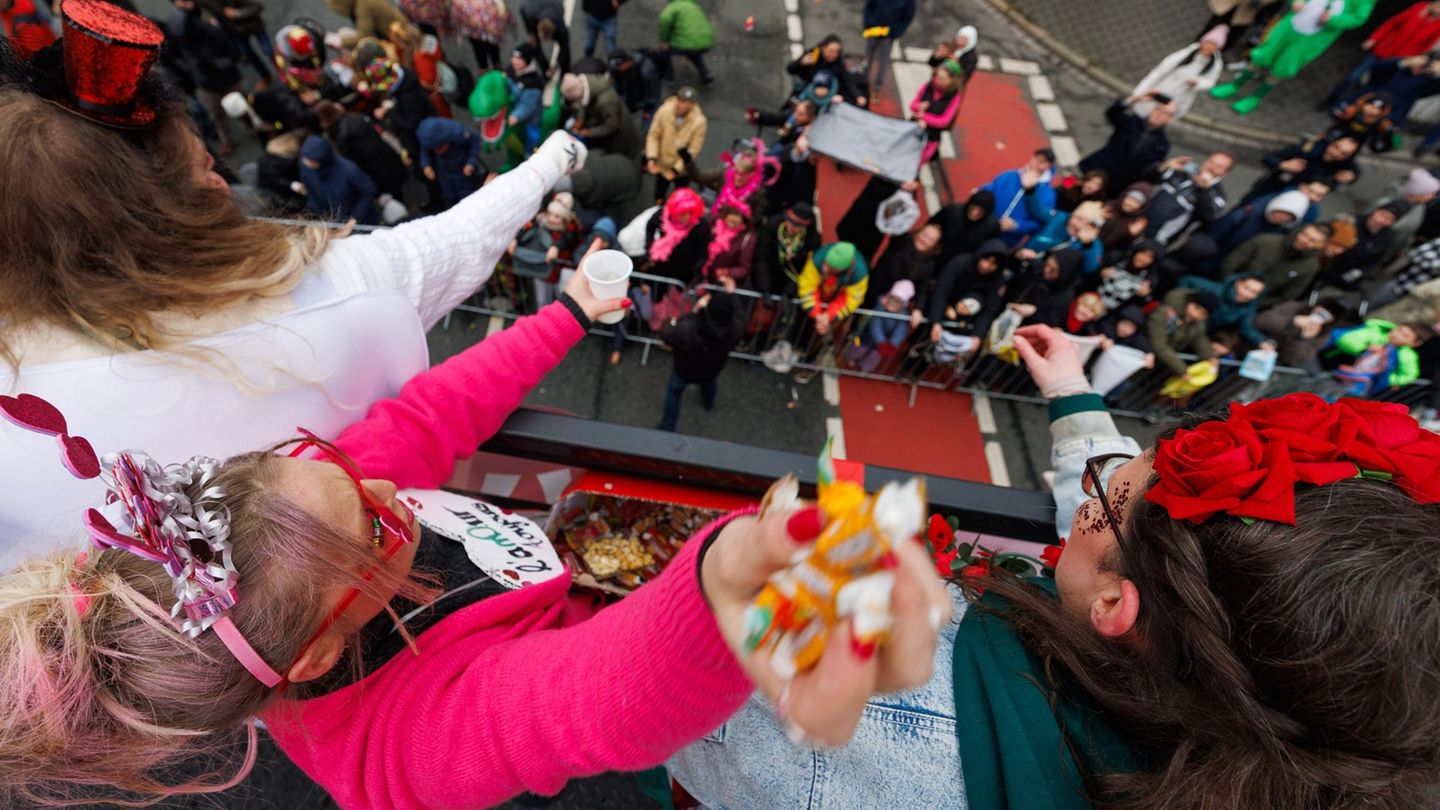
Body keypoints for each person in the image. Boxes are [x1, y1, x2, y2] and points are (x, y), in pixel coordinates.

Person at [0, 259, 949, 807]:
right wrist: (722, 579)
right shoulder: (403, 751)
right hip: (681, 675)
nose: (383, 485)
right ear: (322, 651)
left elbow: (430, 414)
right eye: (373, 524)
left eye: (321, 459)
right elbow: (581, 700)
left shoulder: (311, 519)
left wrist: (567, 314)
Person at [0, 0, 593, 566]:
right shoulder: (326, 294)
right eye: (206, 169)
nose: (222, 183)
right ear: (169, 210)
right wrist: (552, 162)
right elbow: (458, 243)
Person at [1210, 0, 1378, 115]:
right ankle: (1234, 85)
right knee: (1262, 54)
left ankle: (1255, 97)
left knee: (1283, 67)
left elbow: (1358, 18)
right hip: (1291, 24)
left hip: (1314, 36)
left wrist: (1334, 19)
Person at [1322, 0, 1440, 108]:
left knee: (1374, 84)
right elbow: (1393, 22)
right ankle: (1332, 99)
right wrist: (1374, 38)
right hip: (1384, 50)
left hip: (1399, 58)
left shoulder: (1438, 25)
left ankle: (1349, 106)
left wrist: (1414, 62)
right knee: (1353, 76)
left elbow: (1427, 46)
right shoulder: (1419, 8)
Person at [658, 288, 745, 431]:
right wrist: (732, 295)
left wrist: (694, 312)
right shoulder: (736, 329)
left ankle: (668, 426)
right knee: (709, 383)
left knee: (674, 391)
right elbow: (740, 313)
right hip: (712, 368)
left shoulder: (689, 326)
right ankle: (709, 405)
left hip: (684, 370)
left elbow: (667, 335)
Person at [166, 0, 244, 157]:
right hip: (207, 79)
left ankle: (254, 127)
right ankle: (227, 140)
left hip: (222, 74)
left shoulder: (205, 10)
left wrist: (228, 59)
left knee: (241, 105)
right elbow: (179, 54)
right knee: (217, 115)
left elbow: (226, 40)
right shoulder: (181, 24)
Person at [314, 99, 410, 203]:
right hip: (387, 157)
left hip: (375, 170)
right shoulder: (356, 117)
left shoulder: (343, 136)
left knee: (391, 198)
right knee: (398, 191)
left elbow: (353, 160)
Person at [1079, 94, 1175, 192]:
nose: (1159, 114)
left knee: (1088, 206)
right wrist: (1133, 99)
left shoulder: (1162, 144)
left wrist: (1162, 167)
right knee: (1068, 189)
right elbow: (1112, 113)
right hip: (1093, 170)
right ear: (1152, 110)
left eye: (1165, 113)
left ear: (1169, 119)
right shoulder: (1133, 122)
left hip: (1114, 186)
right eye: (1158, 110)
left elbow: (1148, 172)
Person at [1220, 222, 1330, 303]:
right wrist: (1232, 289)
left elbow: (1287, 296)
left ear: (1320, 245)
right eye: (1304, 234)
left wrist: (1254, 303)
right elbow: (1230, 264)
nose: (1304, 240)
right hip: (1226, 286)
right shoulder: (1265, 241)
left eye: (1312, 240)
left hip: (1254, 304)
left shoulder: (1310, 267)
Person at [1130, 26, 1226, 118]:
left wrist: (1198, 83)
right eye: (1208, 43)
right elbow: (1159, 71)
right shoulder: (1185, 54)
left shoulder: (1215, 64)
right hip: (1160, 90)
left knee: (1158, 120)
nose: (1209, 47)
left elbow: (1211, 81)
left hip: (1177, 99)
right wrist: (1140, 91)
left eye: (1213, 45)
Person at [927, 238, 1010, 343]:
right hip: (938, 310)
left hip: (964, 324)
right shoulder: (959, 263)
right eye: (986, 260)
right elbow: (941, 292)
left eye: (993, 264)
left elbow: (989, 310)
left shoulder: (997, 280)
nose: (986, 266)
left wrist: (977, 336)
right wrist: (936, 321)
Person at [1143, 152, 1233, 246]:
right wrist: (1163, 167)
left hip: (1161, 236)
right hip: (1140, 217)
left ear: (1225, 173)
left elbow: (1210, 217)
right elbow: (1147, 178)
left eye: (1218, 166)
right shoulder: (1184, 170)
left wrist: (1204, 190)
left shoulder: (1218, 195)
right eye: (1211, 162)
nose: (1211, 167)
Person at [682, 137, 778, 222]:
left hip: (737, 232)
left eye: (743, 174)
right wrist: (687, 160)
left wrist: (741, 218)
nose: (738, 177)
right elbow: (699, 177)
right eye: (736, 172)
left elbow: (757, 218)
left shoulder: (758, 192)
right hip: (716, 220)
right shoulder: (724, 174)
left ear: (752, 174)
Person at [1327, 317, 1432, 392]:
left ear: (1415, 343)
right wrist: (1364, 349)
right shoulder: (1375, 333)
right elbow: (1346, 341)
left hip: (1362, 385)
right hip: (1334, 368)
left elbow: (1409, 375)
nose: (1398, 335)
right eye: (1399, 330)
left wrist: (1388, 379)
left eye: (1406, 335)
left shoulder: (1407, 356)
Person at [1177, 273, 1273, 351]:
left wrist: (1262, 341)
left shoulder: (1248, 308)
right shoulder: (1216, 290)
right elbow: (1186, 280)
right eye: (1246, 288)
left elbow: (1247, 328)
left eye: (1254, 292)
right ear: (1238, 283)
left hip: (1201, 334)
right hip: (1182, 323)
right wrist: (1183, 306)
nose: (1247, 294)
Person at [981, 149, 1056, 247]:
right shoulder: (1010, 175)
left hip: (1006, 239)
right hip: (984, 223)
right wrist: (980, 191)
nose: (1037, 163)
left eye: (1043, 161)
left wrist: (1017, 226)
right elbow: (993, 187)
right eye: (1036, 158)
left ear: (1048, 167)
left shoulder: (1048, 194)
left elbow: (1039, 222)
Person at [299, 135, 380, 225]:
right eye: (305, 159)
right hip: (332, 223)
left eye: (311, 160)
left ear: (322, 159)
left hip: (361, 222)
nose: (307, 163)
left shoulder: (349, 170)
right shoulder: (307, 169)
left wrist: (355, 218)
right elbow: (312, 194)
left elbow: (369, 191)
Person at [646, 86, 707, 203]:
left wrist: (675, 170)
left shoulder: (699, 122)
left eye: (684, 102)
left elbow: (693, 149)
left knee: (681, 194)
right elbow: (653, 135)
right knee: (659, 193)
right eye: (678, 99)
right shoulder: (664, 110)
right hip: (662, 165)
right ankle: (660, 208)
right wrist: (652, 157)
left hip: (682, 170)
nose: (679, 104)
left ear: (692, 104)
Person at [561, 71, 641, 159]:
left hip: (620, 135)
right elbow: (583, 105)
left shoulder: (607, 101)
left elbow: (612, 126)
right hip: (604, 119)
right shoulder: (587, 83)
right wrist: (580, 119)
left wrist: (589, 132)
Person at [798, 242, 870, 340]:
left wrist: (828, 315)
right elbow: (807, 286)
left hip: (836, 302)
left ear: (842, 269)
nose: (826, 268)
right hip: (818, 297)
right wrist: (816, 313)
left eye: (831, 268)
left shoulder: (859, 274)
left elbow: (852, 300)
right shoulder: (818, 258)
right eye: (826, 264)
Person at [866, 223, 941, 314]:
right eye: (924, 234)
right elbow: (898, 225)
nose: (925, 240)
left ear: (934, 245)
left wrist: (918, 309)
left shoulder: (929, 264)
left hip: (894, 305)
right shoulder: (902, 241)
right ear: (918, 232)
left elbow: (922, 288)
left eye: (931, 240)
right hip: (874, 291)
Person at [752, 202, 820, 297]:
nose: (792, 228)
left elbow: (804, 270)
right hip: (766, 275)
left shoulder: (811, 241)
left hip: (789, 282)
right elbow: (761, 258)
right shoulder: (773, 226)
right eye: (791, 222)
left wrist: (789, 293)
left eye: (798, 226)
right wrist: (764, 289)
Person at [417, 117, 484, 211]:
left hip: (463, 172)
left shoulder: (459, 133)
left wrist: (471, 162)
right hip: (445, 174)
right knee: (449, 198)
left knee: (469, 202)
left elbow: (475, 142)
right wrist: (426, 164)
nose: (437, 151)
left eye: (440, 147)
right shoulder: (428, 139)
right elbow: (424, 149)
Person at [1148, 286, 1218, 377]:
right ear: (1190, 302)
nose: (1196, 314)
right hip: (1145, 352)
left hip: (1161, 360)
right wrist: (1182, 370)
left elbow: (1199, 338)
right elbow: (1159, 345)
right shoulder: (1165, 312)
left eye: (1203, 314)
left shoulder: (1196, 323)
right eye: (1196, 308)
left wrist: (1210, 357)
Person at [644, 187, 709, 283]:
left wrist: (695, 269)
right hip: (662, 264)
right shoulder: (663, 215)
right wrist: (649, 247)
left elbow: (703, 252)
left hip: (685, 270)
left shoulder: (700, 225)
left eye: (690, 213)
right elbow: (650, 226)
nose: (687, 217)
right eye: (682, 214)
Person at [1006, 248, 1083, 327]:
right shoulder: (1038, 268)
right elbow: (1013, 270)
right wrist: (1017, 255)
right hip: (1006, 309)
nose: (1046, 270)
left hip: (1025, 327)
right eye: (1047, 264)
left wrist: (1034, 312)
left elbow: (1052, 321)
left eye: (1053, 270)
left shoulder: (1065, 295)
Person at [910, 60, 965, 165]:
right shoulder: (929, 86)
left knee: (917, 163)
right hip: (914, 129)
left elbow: (944, 121)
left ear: (952, 80)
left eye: (943, 78)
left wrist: (923, 117)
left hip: (931, 137)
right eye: (937, 76)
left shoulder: (955, 97)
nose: (937, 80)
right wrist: (919, 106)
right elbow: (913, 104)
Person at [928, 190, 1000, 267]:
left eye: (980, 211)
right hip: (934, 256)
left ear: (986, 213)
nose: (974, 213)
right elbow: (931, 225)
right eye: (973, 208)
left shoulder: (991, 228)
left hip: (961, 266)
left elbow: (985, 251)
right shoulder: (952, 211)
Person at [788, 34, 866, 106]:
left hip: (829, 98)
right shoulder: (813, 56)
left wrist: (858, 96)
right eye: (830, 51)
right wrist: (801, 63)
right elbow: (790, 69)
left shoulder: (838, 63)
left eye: (836, 52)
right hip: (808, 96)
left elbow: (847, 80)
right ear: (822, 48)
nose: (833, 54)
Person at [695, 202, 757, 288]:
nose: (732, 221)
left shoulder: (747, 238)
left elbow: (744, 268)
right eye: (731, 214)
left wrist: (728, 272)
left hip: (722, 285)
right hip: (698, 277)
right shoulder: (713, 226)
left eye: (737, 216)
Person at [862, 0, 917, 95]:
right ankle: (864, 81)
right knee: (868, 56)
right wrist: (868, 24)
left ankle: (877, 86)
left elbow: (907, 18)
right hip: (873, 31)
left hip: (888, 36)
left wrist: (895, 33)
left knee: (883, 61)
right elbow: (869, 7)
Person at [657, 0, 715, 87]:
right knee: (694, 53)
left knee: (663, 51)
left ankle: (669, 78)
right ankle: (706, 77)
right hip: (706, 41)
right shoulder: (694, 6)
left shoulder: (675, 5)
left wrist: (664, 40)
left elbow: (665, 19)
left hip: (688, 43)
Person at [1096, 239, 1163, 311]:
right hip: (1093, 297)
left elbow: (1137, 306)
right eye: (1143, 253)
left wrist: (1143, 296)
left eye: (1150, 257)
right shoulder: (1116, 258)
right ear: (1136, 251)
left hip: (1114, 311)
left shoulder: (1149, 280)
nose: (1143, 259)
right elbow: (1089, 276)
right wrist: (1101, 273)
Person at [507, 43, 547, 154]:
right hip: (515, 106)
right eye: (514, 57)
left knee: (533, 135)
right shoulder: (512, 69)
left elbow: (528, 106)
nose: (514, 61)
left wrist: (516, 116)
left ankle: (529, 154)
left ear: (527, 61)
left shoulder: (533, 82)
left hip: (531, 116)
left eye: (519, 59)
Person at [451, 0, 511, 71]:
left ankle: (496, 69)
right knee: (481, 54)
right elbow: (458, 17)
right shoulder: (460, 3)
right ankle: (486, 70)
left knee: (493, 51)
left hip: (491, 32)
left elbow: (502, 10)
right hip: (476, 34)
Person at [608, 47, 663, 122]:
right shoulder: (617, 68)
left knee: (649, 119)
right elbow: (617, 84)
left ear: (627, 62)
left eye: (619, 67)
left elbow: (653, 92)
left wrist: (647, 108)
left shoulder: (647, 70)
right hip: (633, 89)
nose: (618, 70)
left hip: (647, 92)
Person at [1098, 182, 1154, 251]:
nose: (1130, 203)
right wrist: (1098, 217)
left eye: (1137, 202)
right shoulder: (1110, 206)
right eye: (1130, 198)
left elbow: (1127, 248)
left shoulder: (1138, 221)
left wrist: (1132, 235)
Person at [521, 0, 570, 75]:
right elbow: (522, 10)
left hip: (553, 7)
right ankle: (545, 70)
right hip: (537, 7)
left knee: (565, 49)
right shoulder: (529, 11)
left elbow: (564, 47)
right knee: (534, 45)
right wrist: (530, 33)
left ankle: (565, 72)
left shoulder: (561, 29)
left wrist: (557, 64)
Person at [324, 0, 411, 42]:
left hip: (399, 35)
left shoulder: (362, 8)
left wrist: (341, 41)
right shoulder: (360, 5)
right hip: (394, 30)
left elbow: (364, 35)